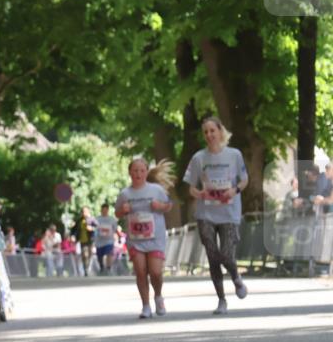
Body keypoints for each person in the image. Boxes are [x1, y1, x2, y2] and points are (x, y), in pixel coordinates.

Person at [183, 116, 249, 314]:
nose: (210, 135)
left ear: (221, 131)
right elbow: (190, 188)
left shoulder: (234, 155)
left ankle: (236, 277)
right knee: (213, 256)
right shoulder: (198, 158)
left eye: (213, 130)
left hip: (229, 213)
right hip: (206, 214)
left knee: (227, 254)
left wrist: (234, 190)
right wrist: (200, 193)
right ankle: (221, 300)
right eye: (206, 132)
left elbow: (244, 180)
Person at [115, 157, 175, 318]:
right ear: (129, 173)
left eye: (141, 170)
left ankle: (158, 296)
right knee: (140, 271)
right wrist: (123, 210)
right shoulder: (125, 193)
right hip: (136, 239)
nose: (138, 174)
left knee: (155, 272)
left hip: (155, 238)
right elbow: (117, 212)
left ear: (147, 172)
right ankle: (146, 306)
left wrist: (160, 206)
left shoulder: (156, 190)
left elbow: (169, 205)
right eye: (135, 170)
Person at [94, 203, 117, 274]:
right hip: (99, 241)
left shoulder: (112, 219)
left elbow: (115, 229)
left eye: (105, 210)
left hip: (109, 240)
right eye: (103, 210)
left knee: (109, 253)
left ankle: (108, 268)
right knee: (99, 256)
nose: (104, 211)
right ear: (101, 210)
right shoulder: (97, 219)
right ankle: (101, 267)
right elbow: (94, 229)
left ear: (108, 210)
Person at [76, 206, 96, 276]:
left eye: (85, 211)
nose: (84, 213)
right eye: (83, 211)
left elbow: (97, 226)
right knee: (84, 255)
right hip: (82, 240)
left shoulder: (92, 219)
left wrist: (92, 228)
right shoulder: (79, 220)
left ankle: (88, 267)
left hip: (90, 240)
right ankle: (85, 269)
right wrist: (73, 236)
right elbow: (75, 229)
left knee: (89, 254)